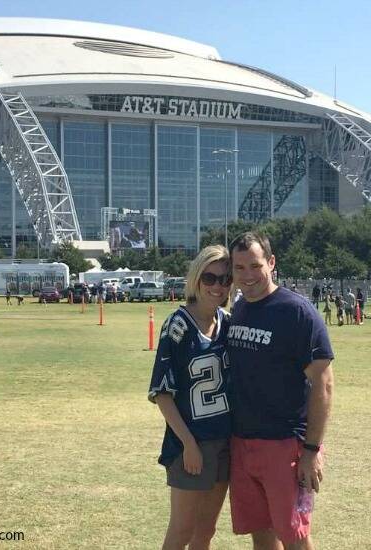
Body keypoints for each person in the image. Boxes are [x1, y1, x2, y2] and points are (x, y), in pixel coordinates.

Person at [227, 232, 334, 549]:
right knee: (261, 535)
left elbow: (324, 383)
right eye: (239, 267)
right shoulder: (240, 309)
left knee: (294, 537)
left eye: (255, 265)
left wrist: (311, 451)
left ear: (271, 263)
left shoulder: (296, 312)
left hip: (285, 446)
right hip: (243, 444)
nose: (248, 276)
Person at [148, 245, 232, 550]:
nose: (217, 286)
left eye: (225, 279)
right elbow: (162, 394)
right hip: (192, 445)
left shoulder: (227, 323)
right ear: (196, 278)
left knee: (205, 532)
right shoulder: (178, 325)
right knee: (181, 532)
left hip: (225, 442)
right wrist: (189, 444)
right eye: (210, 278)